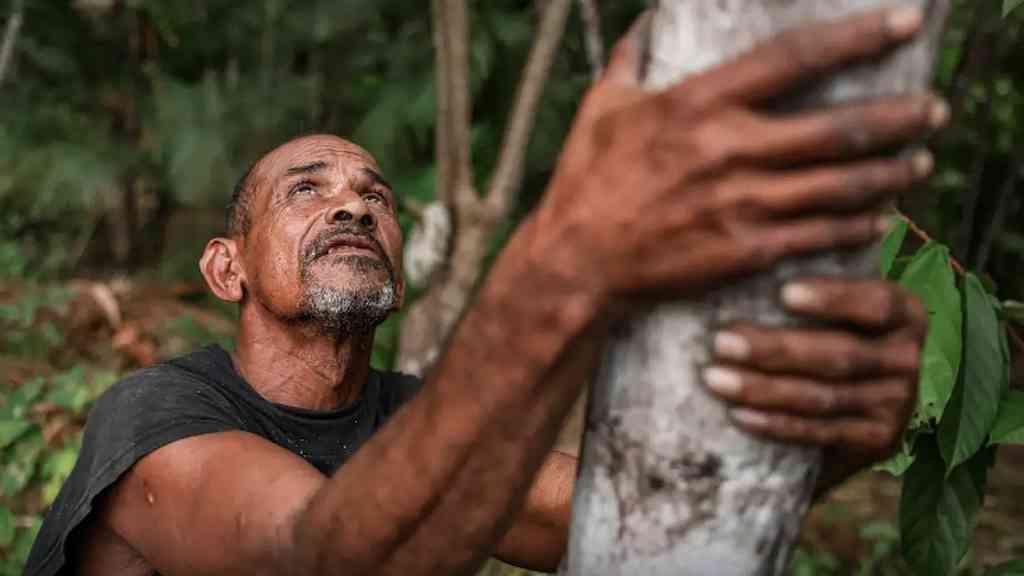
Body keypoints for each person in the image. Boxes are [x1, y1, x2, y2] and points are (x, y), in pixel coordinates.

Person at [26, 7, 941, 576]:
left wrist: (831, 453)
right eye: (307, 189)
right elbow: (318, 556)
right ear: (227, 268)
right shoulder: (153, 414)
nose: (354, 203)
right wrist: (566, 261)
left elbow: (622, 535)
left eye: (376, 197)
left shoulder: (418, 423)